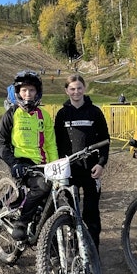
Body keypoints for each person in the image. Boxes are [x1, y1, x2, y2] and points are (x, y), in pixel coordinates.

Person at [0, 70, 58, 241]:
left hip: (42, 164)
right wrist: (13, 163)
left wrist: (54, 167)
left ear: (37, 92)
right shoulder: (11, 114)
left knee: (53, 198)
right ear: (18, 92)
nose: (28, 94)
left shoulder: (44, 116)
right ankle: (22, 222)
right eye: (24, 90)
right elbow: (1, 143)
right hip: (20, 163)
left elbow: (50, 144)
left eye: (31, 90)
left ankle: (48, 241)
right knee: (43, 187)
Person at [54, 74, 110, 252]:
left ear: (84, 89)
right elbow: (56, 141)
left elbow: (105, 140)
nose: (76, 91)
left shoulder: (95, 112)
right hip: (70, 171)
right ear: (66, 90)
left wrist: (101, 163)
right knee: (71, 210)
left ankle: (93, 248)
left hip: (91, 169)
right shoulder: (62, 114)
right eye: (72, 89)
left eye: (79, 88)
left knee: (91, 211)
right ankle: (75, 247)